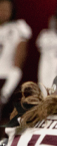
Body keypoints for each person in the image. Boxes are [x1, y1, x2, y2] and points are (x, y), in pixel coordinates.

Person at [0, 0, 32, 133]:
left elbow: (19, 60)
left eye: (7, 8)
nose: (3, 12)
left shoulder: (18, 27)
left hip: (7, 78)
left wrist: (5, 92)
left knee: (5, 122)